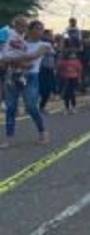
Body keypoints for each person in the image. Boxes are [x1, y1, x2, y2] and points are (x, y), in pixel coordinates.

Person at [1, 19, 54, 148]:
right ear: (29, 30)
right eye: (37, 28)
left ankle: (42, 132)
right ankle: (9, 138)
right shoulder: (18, 41)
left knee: (31, 106)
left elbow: (33, 57)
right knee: (11, 107)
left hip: (31, 77)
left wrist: (12, 60)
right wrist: (19, 62)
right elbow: (4, 58)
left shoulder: (45, 45)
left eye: (41, 29)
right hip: (13, 75)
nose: (40, 31)